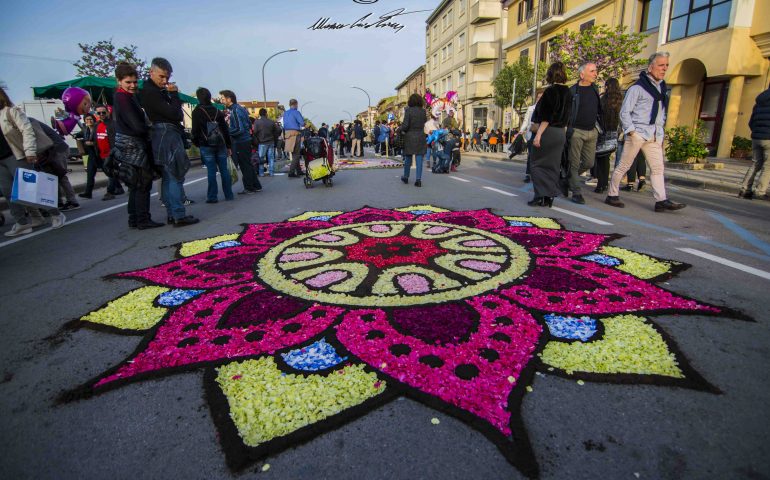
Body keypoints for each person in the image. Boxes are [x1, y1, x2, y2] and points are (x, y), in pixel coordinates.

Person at [606, 52, 685, 212]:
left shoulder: (662, 87)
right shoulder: (637, 88)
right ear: (651, 67)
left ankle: (661, 200)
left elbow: (661, 112)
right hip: (638, 132)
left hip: (654, 134)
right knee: (624, 166)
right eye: (661, 65)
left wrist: (661, 132)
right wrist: (632, 132)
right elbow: (624, 112)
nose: (664, 68)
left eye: (666, 65)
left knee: (657, 168)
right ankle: (612, 194)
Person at [0, 86, 65, 236]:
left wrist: (29, 151)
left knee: (31, 188)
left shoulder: (10, 111)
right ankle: (22, 222)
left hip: (15, 155)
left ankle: (55, 214)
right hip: (1, 161)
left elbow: (27, 130)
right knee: (9, 192)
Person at [142, 57, 199, 226]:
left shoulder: (154, 91)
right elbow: (175, 114)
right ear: (151, 72)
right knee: (174, 175)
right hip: (166, 134)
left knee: (168, 177)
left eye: (167, 77)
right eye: (161, 76)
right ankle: (178, 214)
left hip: (163, 133)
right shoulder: (150, 92)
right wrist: (174, 95)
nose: (165, 81)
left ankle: (173, 213)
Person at [529, 62, 572, 208]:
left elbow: (546, 116)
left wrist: (538, 135)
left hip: (547, 131)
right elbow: (568, 116)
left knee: (536, 164)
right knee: (553, 166)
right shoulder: (568, 92)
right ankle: (549, 197)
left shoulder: (550, 91)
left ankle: (539, 196)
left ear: (550, 74)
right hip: (560, 133)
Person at [563, 62, 601, 204]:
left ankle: (568, 179)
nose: (595, 74)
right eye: (592, 71)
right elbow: (566, 112)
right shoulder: (572, 91)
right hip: (576, 131)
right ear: (582, 74)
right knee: (573, 163)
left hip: (592, 131)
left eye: (595, 71)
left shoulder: (595, 89)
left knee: (589, 162)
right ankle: (576, 192)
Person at [192, 87, 233, 203]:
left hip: (206, 144)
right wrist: (228, 145)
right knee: (224, 170)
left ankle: (212, 196)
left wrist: (197, 143)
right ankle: (228, 194)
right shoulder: (217, 111)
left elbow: (195, 130)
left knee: (211, 171)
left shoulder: (197, 112)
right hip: (220, 143)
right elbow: (225, 129)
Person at [218, 90, 260, 193]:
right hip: (245, 140)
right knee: (247, 164)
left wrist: (227, 132)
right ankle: (255, 185)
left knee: (244, 165)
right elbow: (248, 125)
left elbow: (239, 129)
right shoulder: (241, 109)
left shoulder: (235, 110)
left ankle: (249, 187)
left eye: (223, 99)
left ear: (229, 99)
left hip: (241, 141)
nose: (222, 101)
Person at [739, 86, 770, 200]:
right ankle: (760, 192)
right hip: (769, 138)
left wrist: (757, 132)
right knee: (768, 166)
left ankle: (744, 190)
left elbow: (751, 122)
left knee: (755, 164)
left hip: (756, 137)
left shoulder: (759, 102)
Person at [595, 77, 623, 193]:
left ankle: (601, 183)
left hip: (603, 131)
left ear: (607, 86)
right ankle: (605, 183)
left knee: (601, 158)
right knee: (607, 159)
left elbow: (597, 114)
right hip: (614, 133)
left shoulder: (603, 99)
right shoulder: (621, 100)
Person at [252, 108, 281, 177]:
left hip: (261, 143)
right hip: (271, 142)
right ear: (266, 114)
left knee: (261, 158)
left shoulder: (257, 122)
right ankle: (271, 172)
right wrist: (274, 136)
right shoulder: (271, 122)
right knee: (271, 158)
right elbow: (279, 130)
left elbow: (255, 132)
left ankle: (261, 173)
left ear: (259, 114)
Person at [283, 99, 304, 177]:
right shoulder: (296, 112)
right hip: (295, 134)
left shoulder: (285, 113)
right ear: (296, 104)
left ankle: (299, 171)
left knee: (294, 153)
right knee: (296, 154)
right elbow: (302, 123)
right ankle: (291, 172)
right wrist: (305, 124)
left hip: (287, 134)